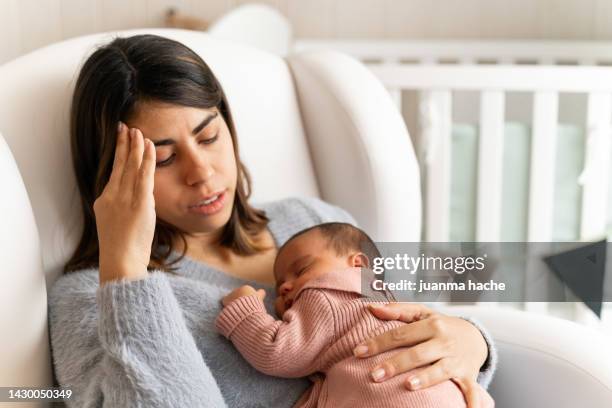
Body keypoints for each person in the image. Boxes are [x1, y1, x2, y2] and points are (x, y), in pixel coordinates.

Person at [47, 34, 497, 408]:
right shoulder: (91, 297)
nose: (201, 172)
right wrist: (126, 271)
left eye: (209, 136)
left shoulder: (315, 220)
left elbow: (403, 329)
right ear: (111, 174)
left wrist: (472, 343)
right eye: (163, 159)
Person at [217, 222, 493, 407]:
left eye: (300, 271)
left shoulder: (327, 293)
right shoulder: (395, 302)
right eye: (279, 288)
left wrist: (244, 311)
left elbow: (277, 352)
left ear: (357, 265)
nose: (286, 286)